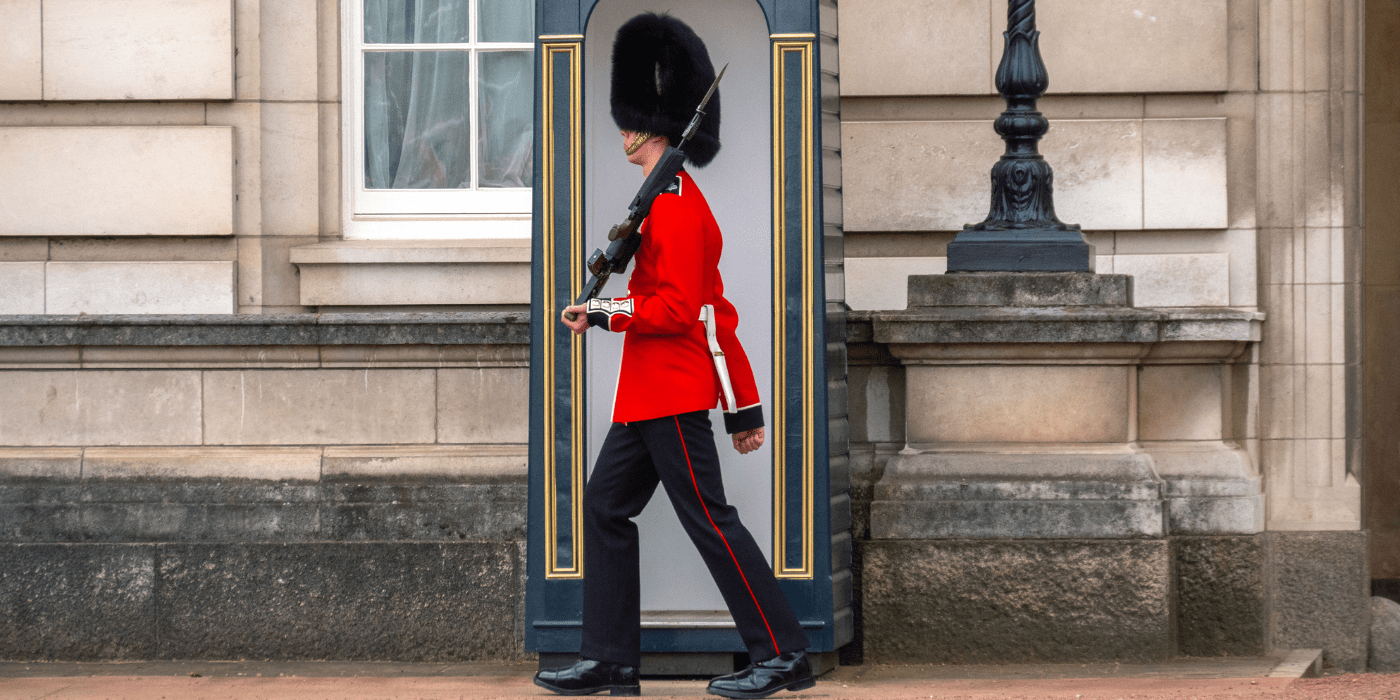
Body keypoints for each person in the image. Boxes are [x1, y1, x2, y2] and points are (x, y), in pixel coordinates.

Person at [532, 13, 815, 700]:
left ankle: (783, 656)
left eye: (630, 123)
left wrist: (602, 310)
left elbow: (680, 313)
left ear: (648, 127)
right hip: (648, 394)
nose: (621, 133)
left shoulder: (681, 207)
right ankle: (610, 661)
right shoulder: (657, 203)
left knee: (710, 522)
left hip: (676, 390)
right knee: (603, 508)